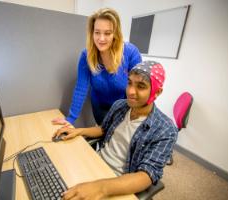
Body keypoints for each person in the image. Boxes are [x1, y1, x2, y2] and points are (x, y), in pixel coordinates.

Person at [53, 61, 178, 199]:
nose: (130, 91)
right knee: (58, 179)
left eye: (141, 86)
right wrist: (79, 131)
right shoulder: (120, 105)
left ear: (157, 91)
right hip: (97, 162)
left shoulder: (166, 129)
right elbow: (104, 129)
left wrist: (100, 188)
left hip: (119, 183)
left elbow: (146, 175)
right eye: (129, 83)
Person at [52, 8, 142, 126]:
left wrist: (134, 113)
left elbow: (138, 87)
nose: (101, 38)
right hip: (99, 107)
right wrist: (70, 119)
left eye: (107, 33)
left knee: (119, 140)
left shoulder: (130, 52)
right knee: (103, 135)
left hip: (124, 108)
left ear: (115, 34)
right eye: (97, 32)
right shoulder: (86, 55)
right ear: (92, 32)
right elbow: (81, 88)